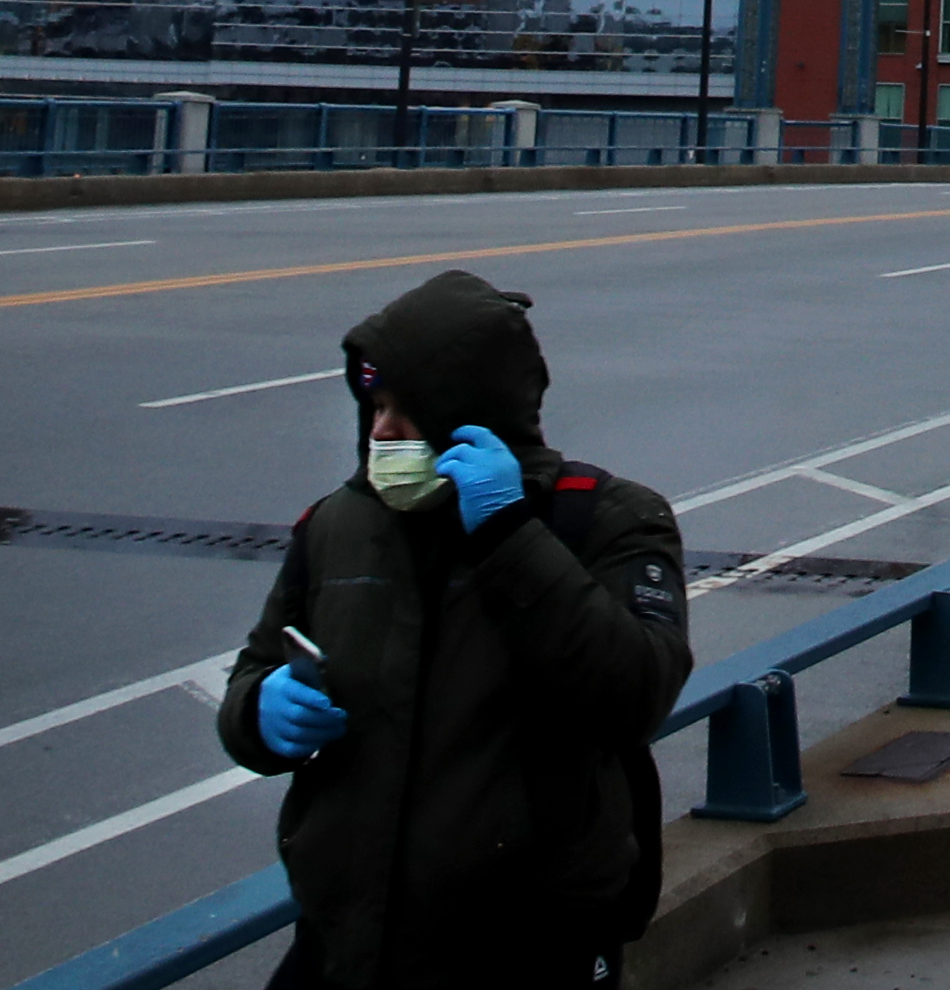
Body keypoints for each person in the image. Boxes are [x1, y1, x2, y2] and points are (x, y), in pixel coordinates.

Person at [220, 269, 694, 989]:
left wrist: (509, 536)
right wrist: (259, 711)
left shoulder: (604, 519)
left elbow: (635, 693)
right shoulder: (337, 526)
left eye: (404, 413)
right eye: (373, 407)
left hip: (525, 949)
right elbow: (252, 676)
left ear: (469, 412)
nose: (380, 432)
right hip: (348, 941)